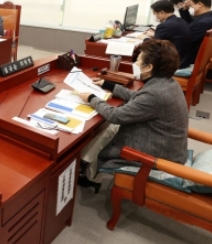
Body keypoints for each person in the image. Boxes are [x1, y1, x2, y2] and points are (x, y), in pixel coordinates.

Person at [77, 39, 189, 192]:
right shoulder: (168, 83)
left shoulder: (155, 93)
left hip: (158, 154)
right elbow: (137, 98)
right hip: (168, 146)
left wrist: (91, 98)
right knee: (109, 131)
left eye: (138, 61)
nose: (134, 64)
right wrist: (108, 84)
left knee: (110, 128)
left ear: (148, 67)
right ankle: (88, 169)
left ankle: (88, 172)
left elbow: (115, 115)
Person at [143, 0, 191, 68]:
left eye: (155, 14)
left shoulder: (164, 26)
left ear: (162, 12)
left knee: (141, 57)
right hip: (183, 60)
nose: (155, 16)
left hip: (172, 63)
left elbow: (154, 48)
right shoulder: (181, 21)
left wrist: (144, 38)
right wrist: (154, 34)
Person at [179, 0, 212, 67]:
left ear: (200, 4)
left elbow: (186, 42)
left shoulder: (203, 23)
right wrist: (184, 10)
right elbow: (190, 24)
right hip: (192, 54)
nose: (192, 10)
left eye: (192, 6)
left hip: (188, 59)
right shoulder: (210, 17)